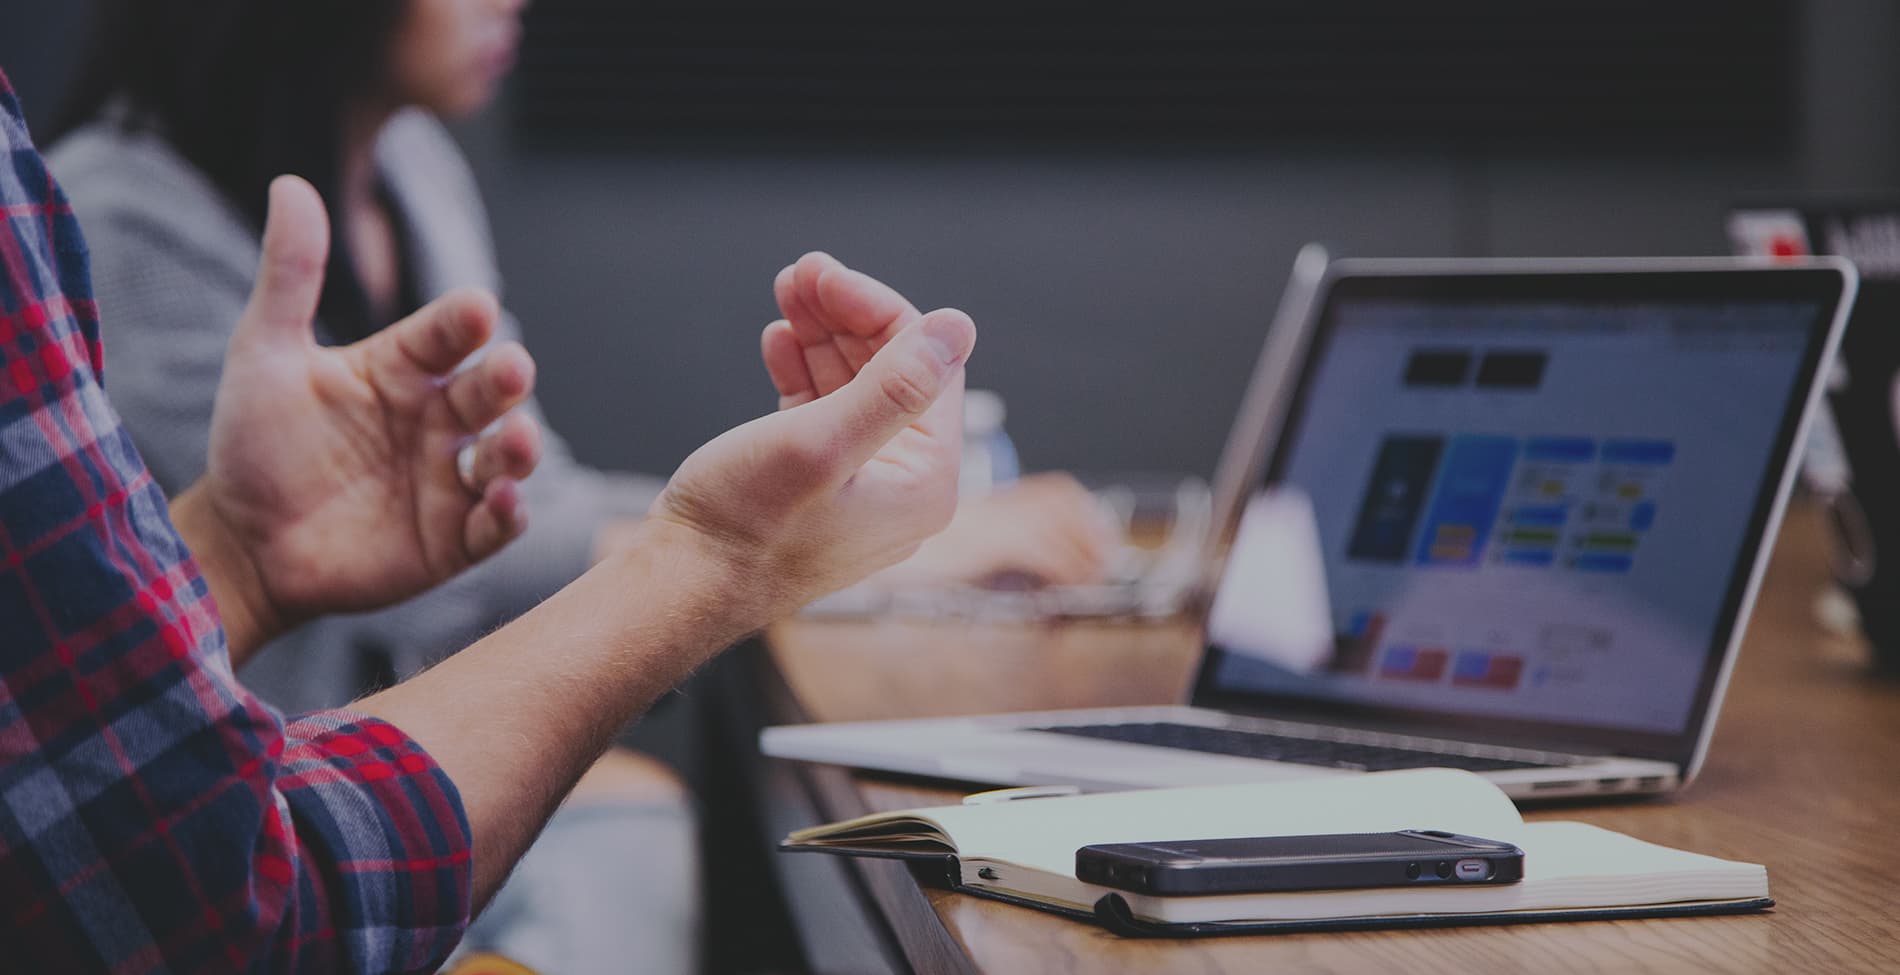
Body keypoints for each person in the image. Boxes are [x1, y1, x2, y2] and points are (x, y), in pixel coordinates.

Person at [0, 61, 977, 973]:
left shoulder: (412, 165)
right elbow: (214, 902)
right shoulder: (119, 210)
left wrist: (238, 558)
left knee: (639, 830)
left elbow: (49, 700)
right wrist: (721, 558)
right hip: (294, 852)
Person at [49, 0, 1116, 718]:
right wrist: (828, 550)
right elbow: (434, 572)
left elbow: (523, 494)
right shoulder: (112, 221)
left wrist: (811, 532)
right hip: (253, 807)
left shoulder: (410, 167)